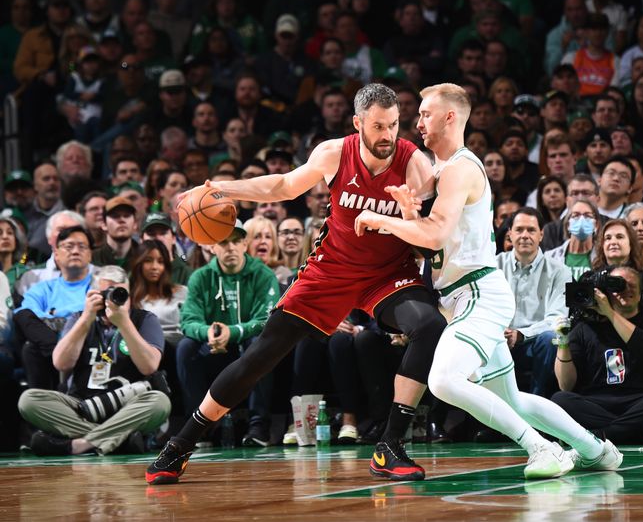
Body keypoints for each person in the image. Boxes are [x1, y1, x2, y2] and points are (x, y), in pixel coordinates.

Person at [146, 83, 446, 485]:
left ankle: (390, 445)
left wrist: (414, 217)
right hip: (332, 270)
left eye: (393, 125)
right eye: (378, 126)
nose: (388, 135)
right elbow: (284, 186)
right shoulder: (334, 152)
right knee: (260, 356)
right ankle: (180, 446)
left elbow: (430, 239)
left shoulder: (414, 164)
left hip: (388, 274)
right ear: (358, 124)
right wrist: (222, 188)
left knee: (429, 327)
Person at [354, 82, 621, 480]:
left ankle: (542, 448)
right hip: (464, 293)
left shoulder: (460, 168)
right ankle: (595, 450)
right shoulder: (445, 170)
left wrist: (382, 220)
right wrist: (410, 217)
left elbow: (434, 237)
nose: (418, 121)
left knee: (443, 380)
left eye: (426, 113)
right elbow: (435, 249)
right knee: (512, 399)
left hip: (478, 292)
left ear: (449, 117)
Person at [17, 265, 170, 456]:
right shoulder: (79, 318)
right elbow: (61, 363)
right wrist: (86, 318)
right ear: (92, 294)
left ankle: (78, 445)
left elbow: (149, 367)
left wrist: (124, 323)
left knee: (160, 402)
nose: (112, 300)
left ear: (130, 296)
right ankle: (119, 441)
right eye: (106, 293)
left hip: (127, 407)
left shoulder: (144, 319)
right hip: (80, 406)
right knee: (29, 400)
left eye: (120, 293)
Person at [175, 220, 279, 447]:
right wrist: (210, 332)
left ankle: (258, 426)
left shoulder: (264, 275)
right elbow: (189, 321)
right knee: (186, 347)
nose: (230, 247)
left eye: (235, 241)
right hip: (215, 349)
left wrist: (231, 332)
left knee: (259, 343)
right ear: (212, 246)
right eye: (223, 242)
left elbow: (267, 321)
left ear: (244, 244)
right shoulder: (200, 277)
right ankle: (200, 429)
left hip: (248, 348)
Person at [552, 266, 643, 444]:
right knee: (560, 399)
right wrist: (563, 342)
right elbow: (566, 386)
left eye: (631, 285)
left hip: (638, 402)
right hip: (597, 403)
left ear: (641, 294)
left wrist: (610, 313)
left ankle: (596, 436)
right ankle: (636, 434)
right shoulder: (585, 329)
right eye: (617, 285)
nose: (624, 289)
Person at [496, 207, 570, 398]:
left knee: (550, 338)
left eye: (531, 230)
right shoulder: (494, 266)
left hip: (534, 343)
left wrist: (521, 334)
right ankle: (483, 421)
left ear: (541, 235)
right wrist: (499, 330)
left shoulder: (560, 271)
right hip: (499, 340)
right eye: (519, 230)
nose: (525, 235)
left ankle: (536, 409)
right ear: (510, 234)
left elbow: (557, 319)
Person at [14, 226, 96, 390]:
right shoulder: (44, 288)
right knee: (22, 318)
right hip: (50, 345)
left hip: (87, 342)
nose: (75, 251)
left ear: (90, 255)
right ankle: (57, 355)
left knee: (32, 349)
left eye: (82, 246)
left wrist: (55, 318)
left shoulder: (98, 284)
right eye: (69, 246)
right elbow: (26, 314)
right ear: (56, 254)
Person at [591, 219, 643, 321]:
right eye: (608, 238)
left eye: (620, 237)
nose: (613, 242)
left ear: (631, 244)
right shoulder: (591, 278)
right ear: (602, 246)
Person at [91, 196, 139, 271]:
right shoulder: (92, 259)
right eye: (115, 216)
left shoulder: (144, 257)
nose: (122, 220)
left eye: (127, 216)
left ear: (135, 224)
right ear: (104, 224)